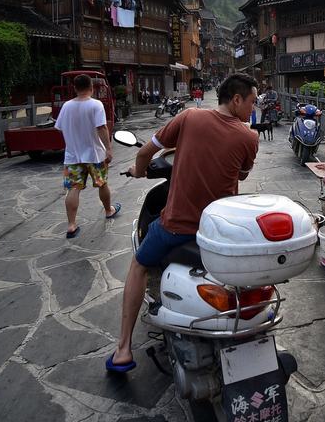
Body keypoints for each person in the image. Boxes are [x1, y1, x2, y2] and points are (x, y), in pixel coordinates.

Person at [106, 73, 259, 373]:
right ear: (237, 99)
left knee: (139, 264)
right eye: (252, 102)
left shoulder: (189, 117)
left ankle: (123, 348)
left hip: (175, 227)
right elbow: (241, 175)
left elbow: (146, 152)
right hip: (217, 233)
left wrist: (138, 171)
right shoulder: (248, 137)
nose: (253, 109)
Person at [54, 74, 120, 239]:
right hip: (95, 154)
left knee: (73, 188)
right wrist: (109, 149)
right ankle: (108, 210)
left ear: (75, 88)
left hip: (72, 156)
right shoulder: (95, 105)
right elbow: (101, 128)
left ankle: (71, 225)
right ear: (91, 88)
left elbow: (60, 127)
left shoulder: (66, 106)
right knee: (102, 183)